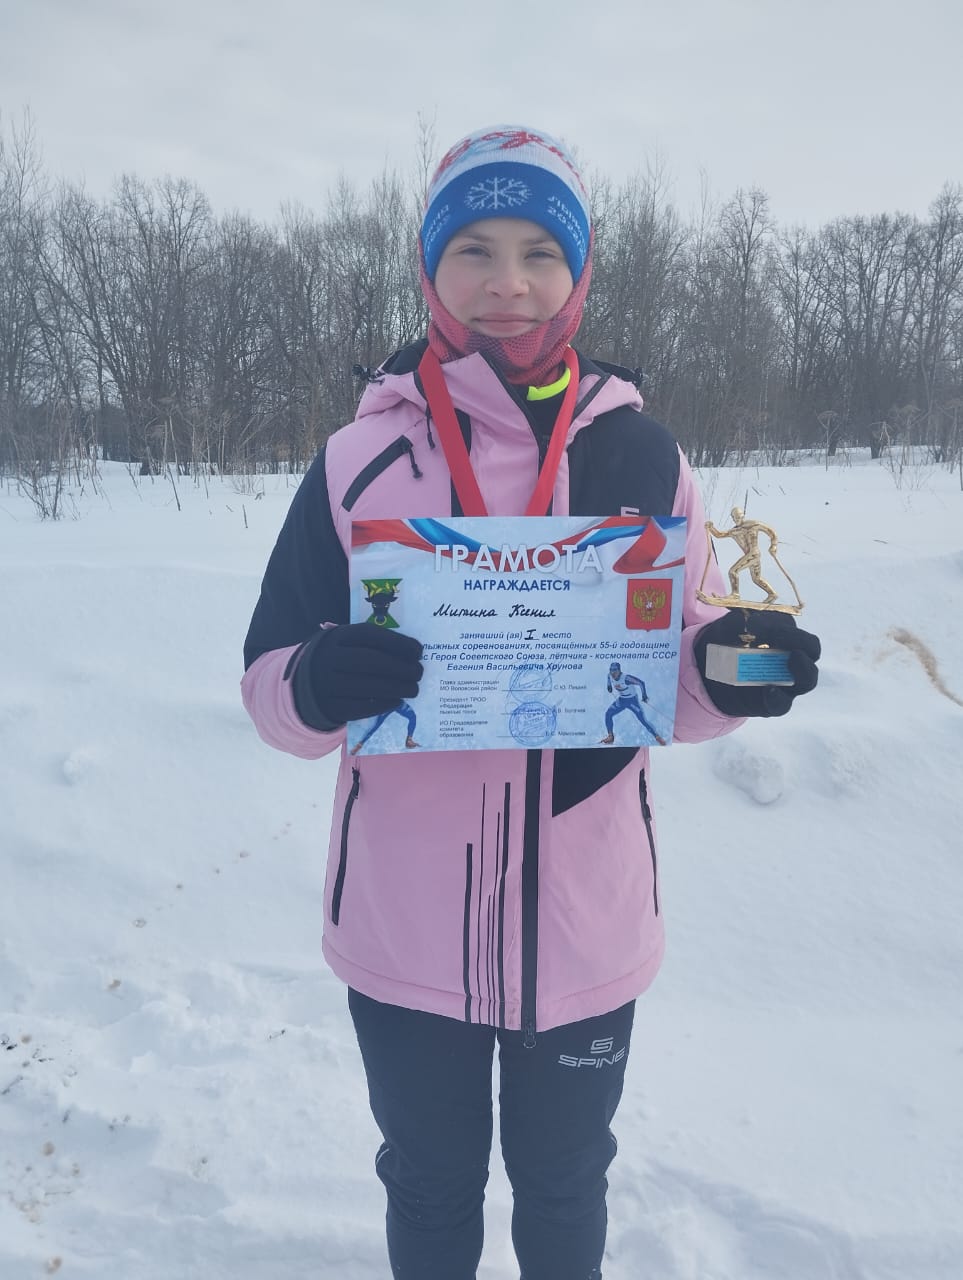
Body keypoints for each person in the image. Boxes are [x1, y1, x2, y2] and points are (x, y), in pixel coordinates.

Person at [241, 125, 821, 1280]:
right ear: (429, 267)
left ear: (579, 271)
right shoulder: (357, 459)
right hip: (406, 928)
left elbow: (678, 669)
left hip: (583, 924)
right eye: (474, 249)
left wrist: (739, 671)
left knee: (565, 1184)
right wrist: (316, 680)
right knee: (430, 1179)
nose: (507, 282)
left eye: (539, 253)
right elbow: (268, 683)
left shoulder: (644, 457)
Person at [599, 662, 666, 745]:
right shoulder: (609, 675)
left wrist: (644, 696)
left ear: (619, 670)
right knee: (608, 714)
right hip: (622, 700)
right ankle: (610, 737)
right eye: (611, 670)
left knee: (643, 720)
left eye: (615, 670)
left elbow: (641, 683)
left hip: (632, 701)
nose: (613, 673)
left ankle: (657, 737)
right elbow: (609, 679)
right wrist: (609, 686)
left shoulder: (626, 678)